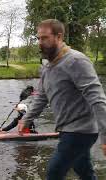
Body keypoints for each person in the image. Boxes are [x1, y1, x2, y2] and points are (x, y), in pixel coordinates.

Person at [17, 19, 106, 179]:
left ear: (59, 37)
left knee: (54, 172)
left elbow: (97, 99)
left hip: (81, 130)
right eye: (38, 38)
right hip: (67, 130)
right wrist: (27, 120)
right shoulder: (47, 67)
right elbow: (42, 97)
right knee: (83, 170)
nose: (40, 42)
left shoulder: (76, 61)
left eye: (44, 38)